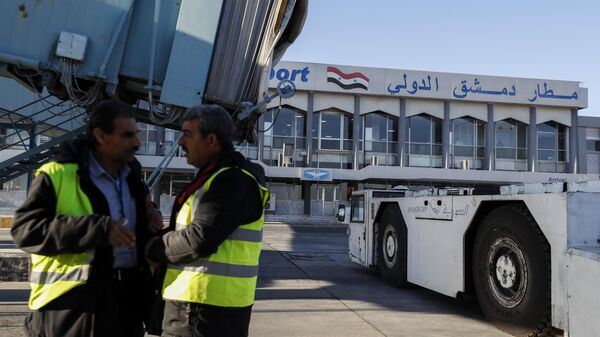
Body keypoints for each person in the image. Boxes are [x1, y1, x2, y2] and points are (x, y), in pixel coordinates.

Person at [11, 99, 164, 337]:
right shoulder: (58, 173)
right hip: (72, 309)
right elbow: (25, 230)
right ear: (100, 136)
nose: (136, 142)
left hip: (126, 305)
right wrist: (96, 229)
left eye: (136, 134)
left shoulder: (131, 176)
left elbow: (137, 217)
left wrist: (150, 214)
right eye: (127, 135)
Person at [145, 104, 269, 337]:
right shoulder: (215, 177)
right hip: (202, 307)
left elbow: (199, 238)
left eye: (187, 134)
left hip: (204, 310)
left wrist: (153, 248)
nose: (181, 142)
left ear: (211, 140)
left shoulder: (232, 180)